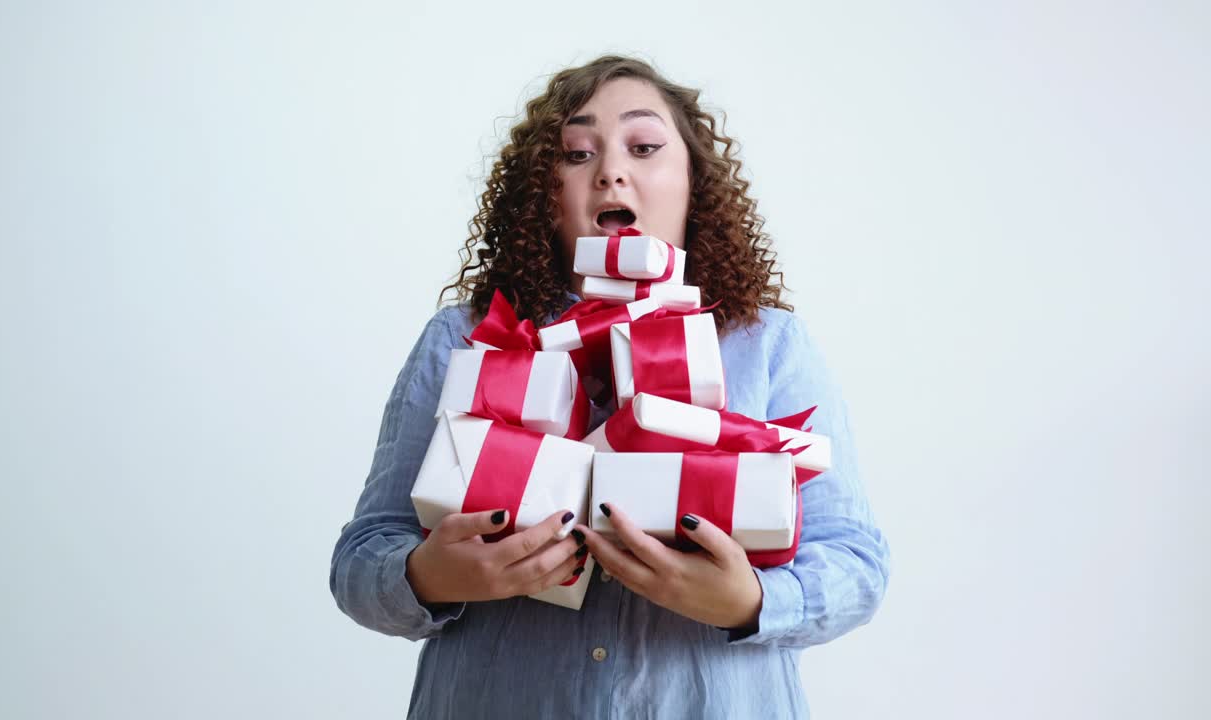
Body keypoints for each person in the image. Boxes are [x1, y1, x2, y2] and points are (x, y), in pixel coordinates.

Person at [329, 55, 891, 719]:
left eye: (645, 146)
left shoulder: (766, 343)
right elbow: (362, 561)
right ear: (543, 190)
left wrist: (751, 602)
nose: (611, 171)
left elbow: (856, 563)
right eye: (576, 153)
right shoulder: (464, 337)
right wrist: (428, 578)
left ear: (693, 183)